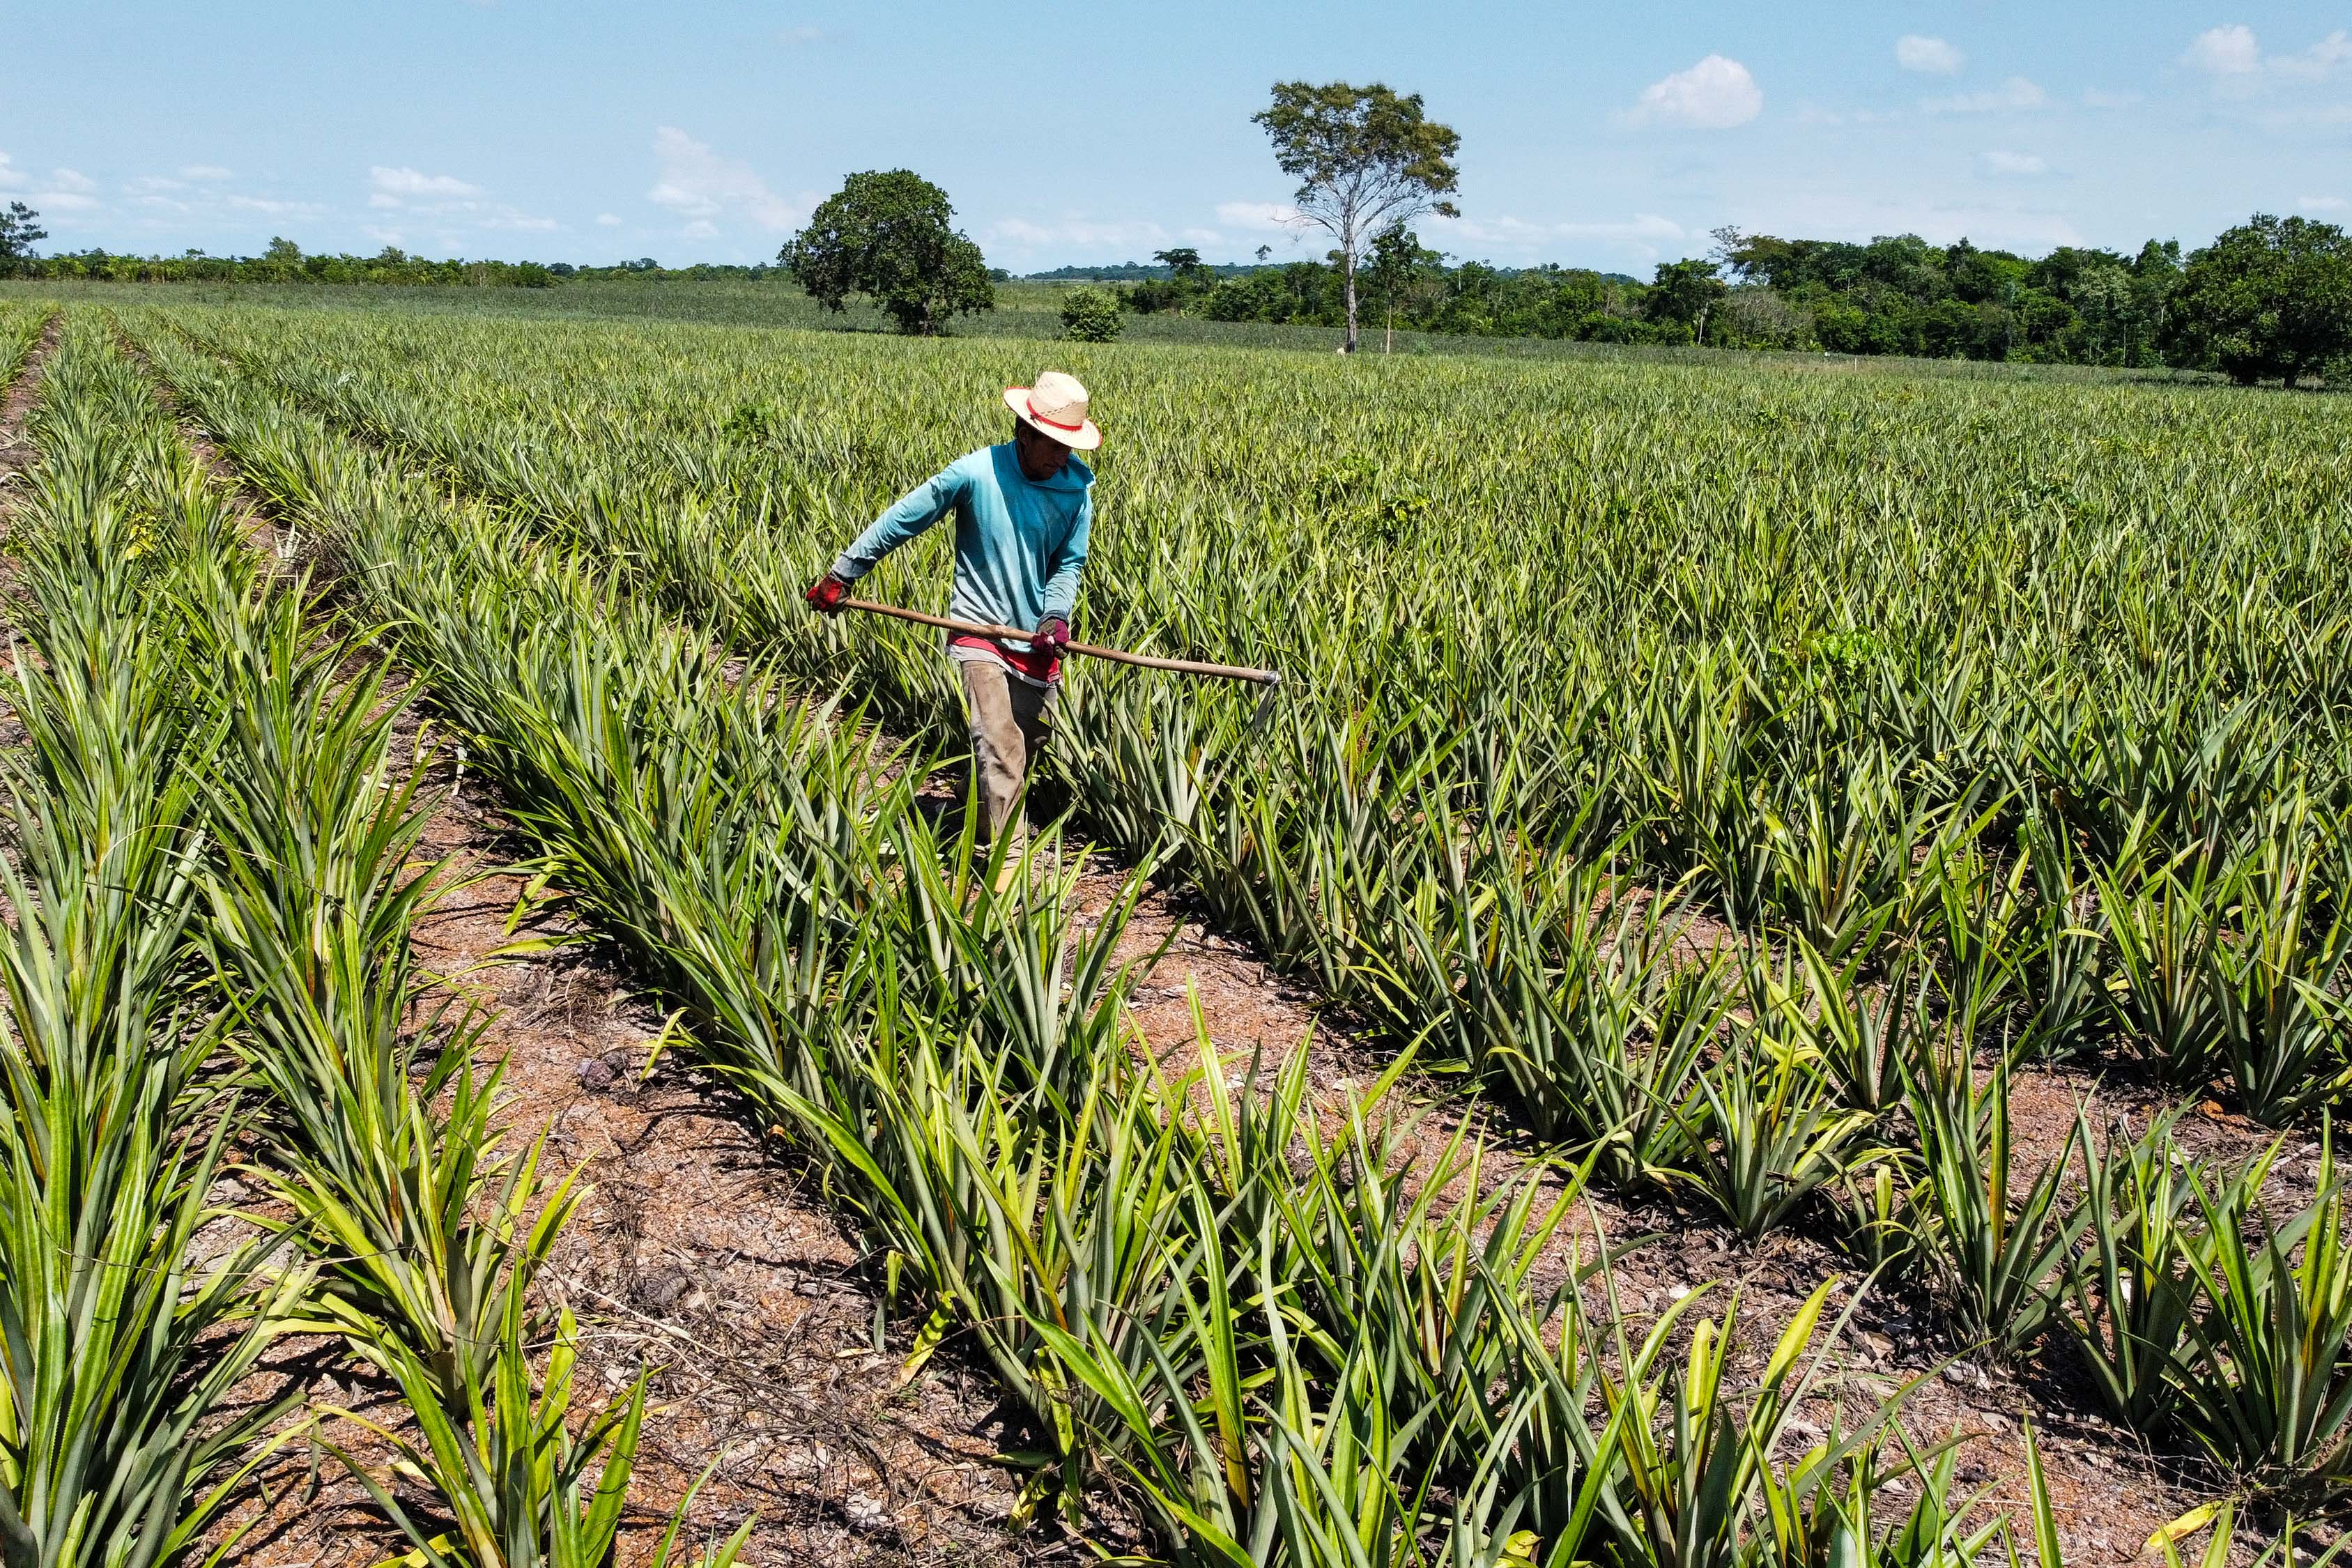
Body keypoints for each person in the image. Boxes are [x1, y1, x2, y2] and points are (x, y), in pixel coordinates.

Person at [805, 370, 1099, 864]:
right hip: (977, 629)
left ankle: (969, 809)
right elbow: (905, 517)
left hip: (1032, 637)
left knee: (1028, 743)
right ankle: (1006, 862)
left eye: (1067, 448)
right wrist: (845, 571)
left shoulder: (1076, 493)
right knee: (1001, 746)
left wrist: (1055, 618)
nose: (1059, 457)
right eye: (1051, 445)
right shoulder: (974, 473)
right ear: (1023, 434)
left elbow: (1068, 564)